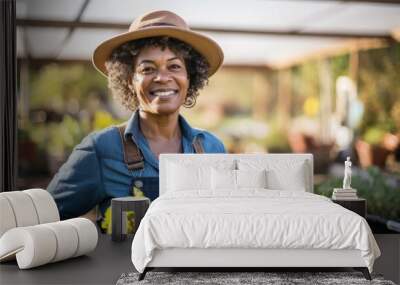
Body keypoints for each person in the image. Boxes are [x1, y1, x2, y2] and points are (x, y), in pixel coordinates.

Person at [47, 10, 226, 220]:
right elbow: (44, 215)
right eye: (147, 69)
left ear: (190, 76)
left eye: (174, 66)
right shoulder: (101, 149)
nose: (162, 77)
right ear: (129, 80)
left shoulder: (212, 148)